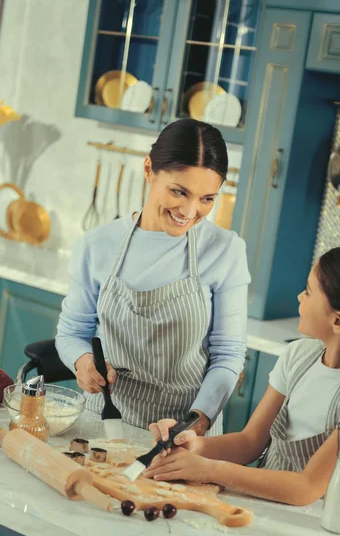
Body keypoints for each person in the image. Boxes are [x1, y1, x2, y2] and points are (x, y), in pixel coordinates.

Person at [145, 245, 340, 505]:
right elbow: (249, 441)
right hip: (264, 508)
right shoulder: (299, 356)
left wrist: (208, 469)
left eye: (309, 292)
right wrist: (194, 446)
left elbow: (307, 488)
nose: (300, 297)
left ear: (339, 321)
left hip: (322, 530)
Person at [56, 118, 250, 436]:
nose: (189, 211)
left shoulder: (226, 250)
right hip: (104, 420)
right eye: (178, 191)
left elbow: (228, 355)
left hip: (187, 429)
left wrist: (195, 423)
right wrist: (82, 362)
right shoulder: (97, 244)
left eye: (207, 199)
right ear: (149, 170)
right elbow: (71, 333)